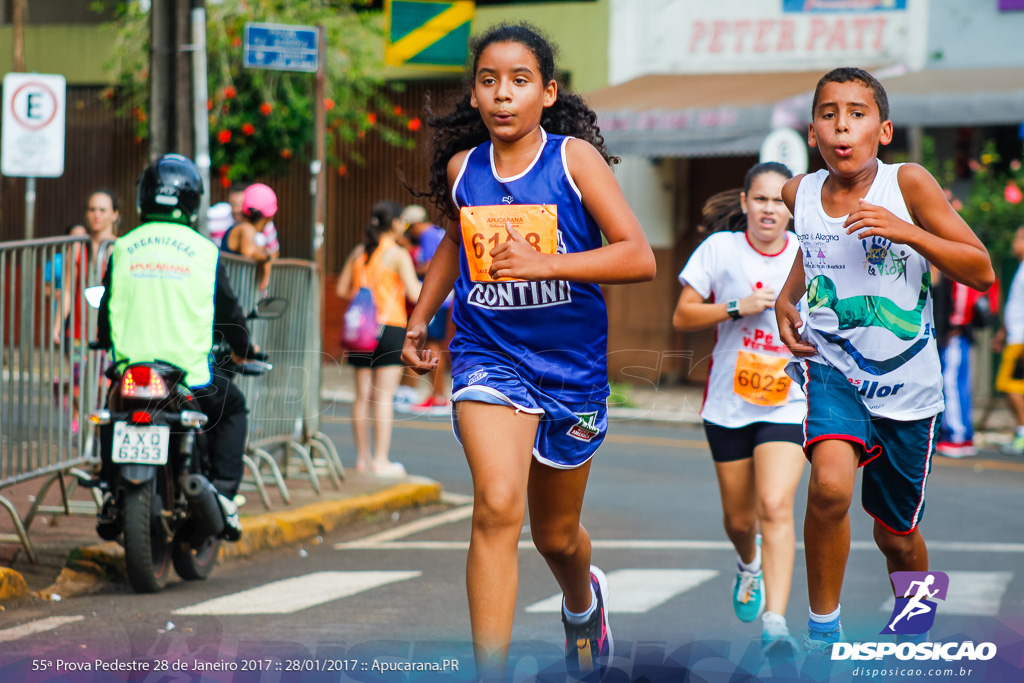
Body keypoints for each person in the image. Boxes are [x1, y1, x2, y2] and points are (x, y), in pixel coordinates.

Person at [402, 23, 656, 680]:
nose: (502, 94)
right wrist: (421, 319)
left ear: (547, 92)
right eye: (488, 81)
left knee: (556, 536)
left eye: (519, 81)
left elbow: (637, 255)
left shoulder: (574, 161)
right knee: (496, 503)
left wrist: (550, 261)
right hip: (489, 353)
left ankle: (581, 602)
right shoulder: (466, 170)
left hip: (571, 369)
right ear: (476, 94)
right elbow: (456, 245)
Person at [774, 67, 994, 654]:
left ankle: (916, 625)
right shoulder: (800, 193)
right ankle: (824, 632)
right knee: (828, 487)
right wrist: (785, 296)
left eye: (858, 113)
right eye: (828, 114)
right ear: (814, 132)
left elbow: (980, 268)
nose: (842, 125)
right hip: (832, 367)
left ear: (884, 129)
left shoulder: (909, 185)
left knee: (896, 536)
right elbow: (816, 254)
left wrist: (908, 232)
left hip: (908, 383)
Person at [672, 162, 806, 655]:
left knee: (775, 504)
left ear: (792, 211)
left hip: (788, 401)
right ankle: (747, 562)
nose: (771, 209)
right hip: (728, 404)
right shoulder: (719, 250)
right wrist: (737, 307)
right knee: (738, 520)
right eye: (762, 199)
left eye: (780, 201)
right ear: (745, 203)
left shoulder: (806, 254)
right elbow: (683, 315)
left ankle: (776, 621)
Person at [96, 154, 261, 541]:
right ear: (192, 201)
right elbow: (229, 311)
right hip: (188, 376)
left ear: (143, 197)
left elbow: (106, 308)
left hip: (132, 372)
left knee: (110, 413)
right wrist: (244, 348)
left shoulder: (122, 247)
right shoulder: (204, 251)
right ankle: (222, 493)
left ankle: (107, 488)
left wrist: (104, 340)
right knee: (233, 406)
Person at [336, 201, 422, 477]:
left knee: (361, 396)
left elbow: (341, 289)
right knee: (383, 398)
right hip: (390, 327)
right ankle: (381, 460)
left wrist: (364, 301)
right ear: (396, 224)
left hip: (361, 329)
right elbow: (413, 293)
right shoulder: (397, 254)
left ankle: (363, 459)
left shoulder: (359, 252)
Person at [932, 269, 998, 458]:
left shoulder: (954, 267)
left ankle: (956, 436)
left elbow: (961, 300)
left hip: (955, 335)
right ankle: (964, 435)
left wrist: (953, 326)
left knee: (951, 383)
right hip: (957, 335)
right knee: (959, 384)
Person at [402, 204, 453, 414]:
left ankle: (438, 396)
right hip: (442, 298)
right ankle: (437, 395)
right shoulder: (435, 234)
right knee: (432, 342)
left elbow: (434, 265)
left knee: (432, 343)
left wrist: (407, 262)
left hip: (438, 299)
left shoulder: (429, 235)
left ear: (415, 225)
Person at [993, 225, 1024, 455]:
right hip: (1013, 335)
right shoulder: (1020, 268)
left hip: (1020, 340)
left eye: (1018, 239)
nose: (1014, 243)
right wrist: (1002, 332)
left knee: (1009, 386)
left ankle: (1022, 432)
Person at [221, 182, 277, 291]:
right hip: (232, 300)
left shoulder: (238, 229)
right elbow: (249, 250)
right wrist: (266, 257)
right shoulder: (246, 228)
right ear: (269, 217)